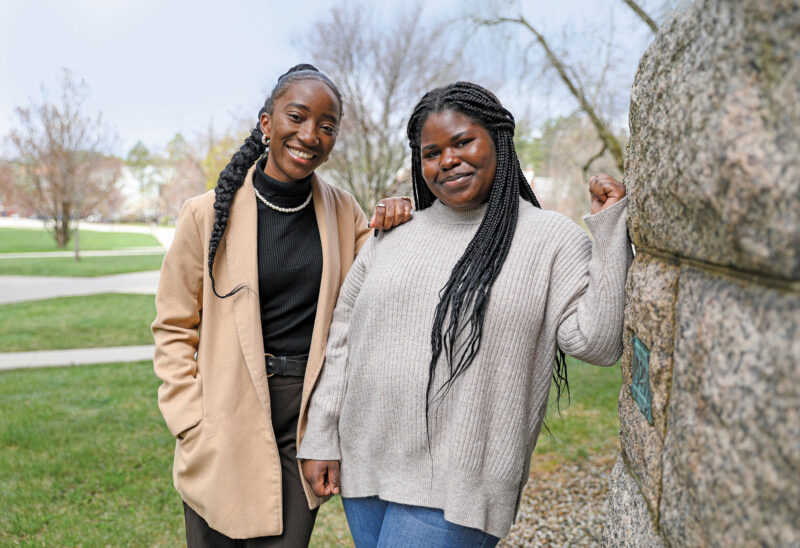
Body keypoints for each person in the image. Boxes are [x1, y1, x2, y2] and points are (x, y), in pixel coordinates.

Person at [298, 81, 633, 547]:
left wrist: (611, 231)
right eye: (431, 152)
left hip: (460, 483)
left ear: (498, 140)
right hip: (367, 464)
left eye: (462, 142)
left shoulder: (550, 239)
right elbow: (343, 339)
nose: (447, 160)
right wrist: (321, 438)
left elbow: (597, 343)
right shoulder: (393, 234)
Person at [151, 64, 412, 547]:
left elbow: (383, 292)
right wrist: (189, 419)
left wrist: (399, 220)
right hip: (224, 410)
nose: (310, 135)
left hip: (305, 420)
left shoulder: (344, 212)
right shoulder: (205, 214)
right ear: (267, 123)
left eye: (327, 126)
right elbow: (172, 327)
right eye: (297, 116)